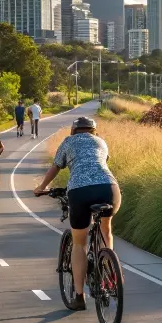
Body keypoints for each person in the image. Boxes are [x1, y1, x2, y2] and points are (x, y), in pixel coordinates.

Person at [33, 116, 121, 311]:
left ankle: (80, 297)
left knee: (79, 243)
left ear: (74, 131)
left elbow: (56, 167)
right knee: (106, 229)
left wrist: (41, 187)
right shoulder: (100, 141)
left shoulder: (68, 142)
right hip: (110, 188)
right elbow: (100, 163)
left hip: (80, 191)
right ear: (93, 131)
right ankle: (108, 268)